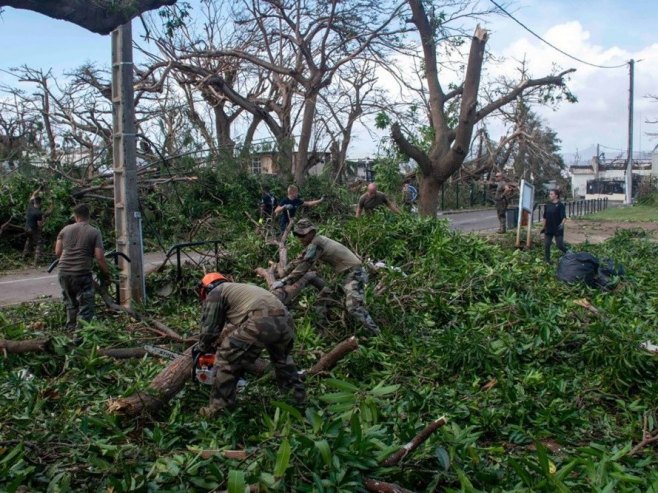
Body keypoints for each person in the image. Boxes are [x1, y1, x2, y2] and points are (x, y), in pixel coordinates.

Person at [194, 272, 306, 417]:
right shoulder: (239, 289)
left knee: (226, 358)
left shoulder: (216, 292)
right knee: (283, 361)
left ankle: (219, 409)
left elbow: (209, 328)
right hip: (286, 321)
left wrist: (202, 347)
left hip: (261, 321)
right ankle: (298, 401)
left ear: (206, 288)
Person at [272, 219, 380, 335]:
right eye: (297, 235)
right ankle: (322, 334)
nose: (300, 238)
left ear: (312, 232)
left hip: (353, 273)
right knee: (322, 301)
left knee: (354, 307)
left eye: (302, 235)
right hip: (342, 276)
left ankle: (377, 335)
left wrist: (284, 281)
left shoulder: (317, 243)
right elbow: (299, 259)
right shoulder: (314, 243)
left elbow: (305, 265)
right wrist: (283, 271)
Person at [55, 204, 111, 331]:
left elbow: (58, 252)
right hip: (81, 273)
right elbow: (100, 257)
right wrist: (107, 274)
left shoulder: (64, 230)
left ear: (76, 217)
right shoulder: (94, 232)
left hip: (63, 272)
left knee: (71, 303)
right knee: (85, 307)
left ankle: (70, 330)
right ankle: (80, 336)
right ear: (88, 216)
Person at [542, 189, 568, 264]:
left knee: (559, 245)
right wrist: (543, 228)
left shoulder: (560, 205)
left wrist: (562, 224)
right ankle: (547, 261)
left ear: (556, 196)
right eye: (550, 194)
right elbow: (544, 217)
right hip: (548, 228)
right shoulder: (547, 205)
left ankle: (570, 254)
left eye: (551, 194)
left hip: (557, 228)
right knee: (547, 245)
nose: (550, 195)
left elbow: (564, 217)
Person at [23, 195, 44, 266]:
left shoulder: (30, 207)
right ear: (40, 203)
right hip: (33, 230)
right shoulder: (38, 213)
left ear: (34, 201)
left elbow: (32, 196)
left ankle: (24, 257)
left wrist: (39, 188)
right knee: (39, 242)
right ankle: (36, 261)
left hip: (26, 229)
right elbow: (39, 225)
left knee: (29, 240)